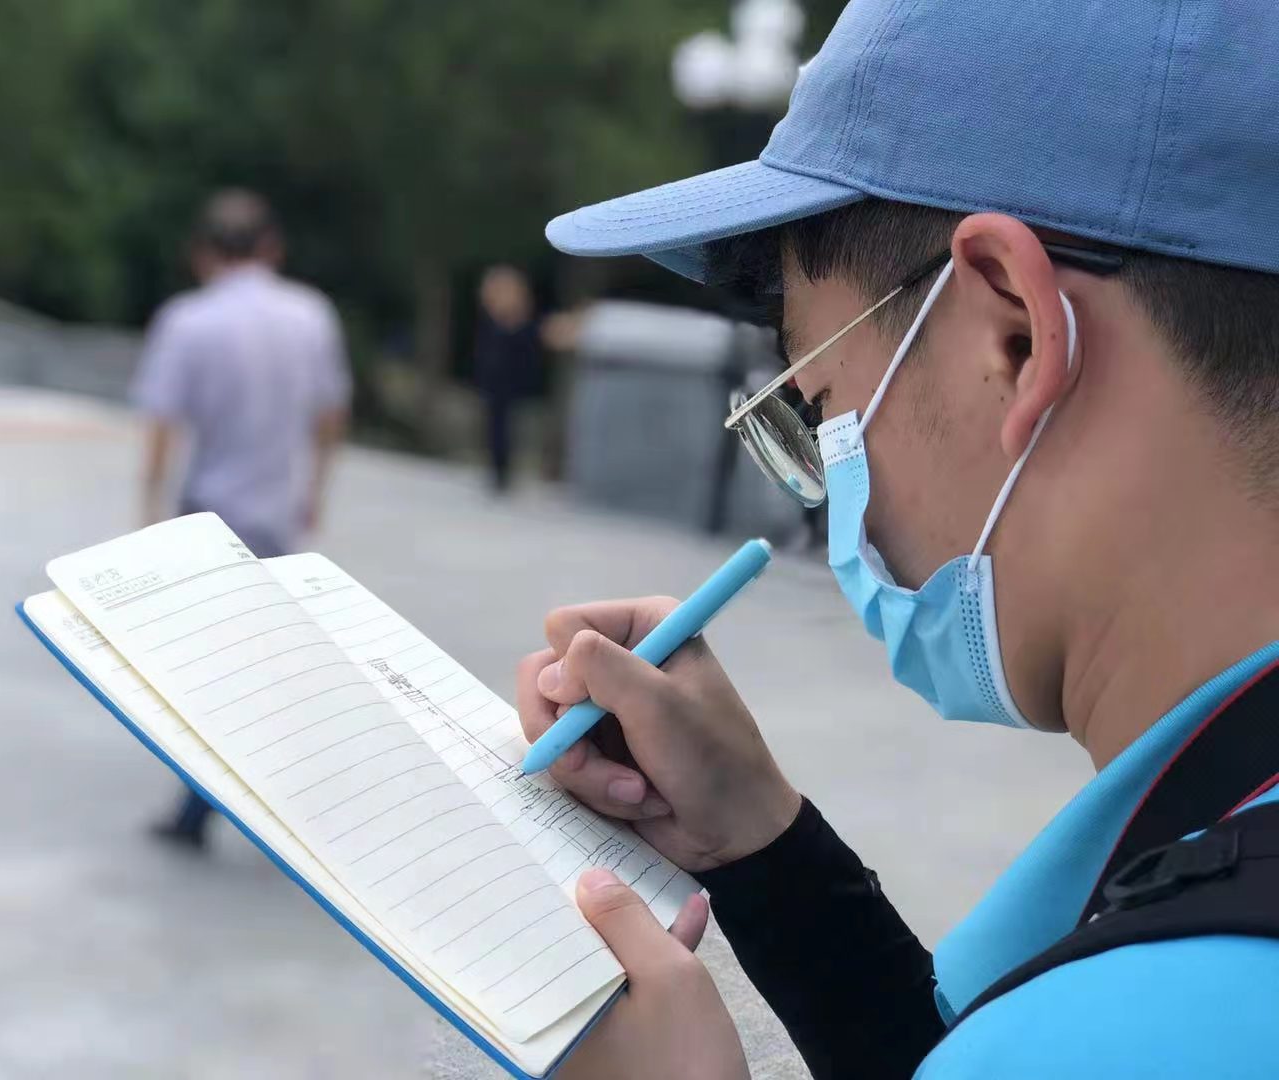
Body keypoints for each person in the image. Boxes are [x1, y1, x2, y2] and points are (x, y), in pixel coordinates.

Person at [526, 2, 1279, 1077]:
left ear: (1013, 337)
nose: (837, 501)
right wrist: (763, 848)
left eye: (817, 403)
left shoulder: (1140, 1028)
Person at [131, 188, 351, 850]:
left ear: (202, 253)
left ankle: (203, 806)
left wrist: (148, 513)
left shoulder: (187, 320)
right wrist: (315, 490)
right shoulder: (311, 315)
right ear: (272, 247)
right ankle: (229, 801)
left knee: (211, 673)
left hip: (208, 513)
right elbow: (330, 414)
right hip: (277, 513)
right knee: (258, 662)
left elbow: (163, 426)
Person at [473, 265, 543, 492]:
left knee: (506, 428)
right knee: (496, 427)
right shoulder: (493, 322)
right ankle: (498, 471)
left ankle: (502, 472)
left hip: (509, 381)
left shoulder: (518, 323)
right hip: (495, 379)